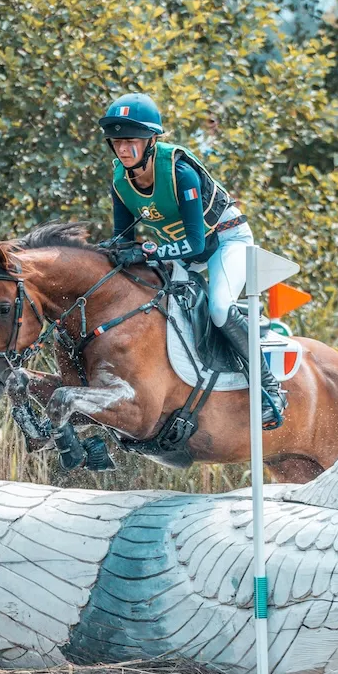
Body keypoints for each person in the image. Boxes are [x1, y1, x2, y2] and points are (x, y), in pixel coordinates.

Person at [97, 92, 286, 430]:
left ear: (151, 140)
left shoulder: (180, 173)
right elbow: (122, 241)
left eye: (131, 140)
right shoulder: (120, 182)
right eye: (117, 141)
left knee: (218, 308)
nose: (123, 148)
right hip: (181, 250)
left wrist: (149, 252)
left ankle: (269, 386)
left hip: (225, 242)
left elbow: (197, 243)